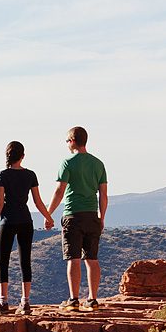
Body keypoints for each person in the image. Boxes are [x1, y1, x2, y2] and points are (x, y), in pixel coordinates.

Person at [46, 126, 108, 312]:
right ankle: (92, 299)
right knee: (92, 258)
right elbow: (103, 195)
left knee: (73, 258)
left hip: (72, 214)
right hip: (92, 215)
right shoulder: (98, 164)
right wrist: (102, 217)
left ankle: (73, 300)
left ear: (72, 141)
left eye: (66, 141)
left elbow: (59, 191)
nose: (66, 145)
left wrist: (48, 214)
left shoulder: (67, 163)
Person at [0, 141, 55, 315]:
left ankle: (3, 301)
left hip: (8, 221)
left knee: (3, 261)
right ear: (22, 156)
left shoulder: (2, 175)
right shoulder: (30, 175)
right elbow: (37, 201)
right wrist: (48, 217)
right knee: (25, 260)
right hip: (26, 221)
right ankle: (25, 302)